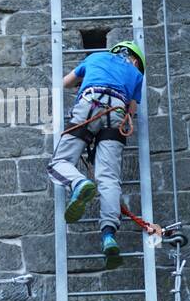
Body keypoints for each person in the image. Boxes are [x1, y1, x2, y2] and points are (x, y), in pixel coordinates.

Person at [47, 40, 146, 269]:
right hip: (117, 113)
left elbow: (65, 83)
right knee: (109, 178)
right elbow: (133, 110)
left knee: (59, 162)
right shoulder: (135, 74)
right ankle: (108, 235)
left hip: (90, 103)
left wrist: (87, 80)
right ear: (134, 59)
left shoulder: (95, 57)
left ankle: (79, 182)